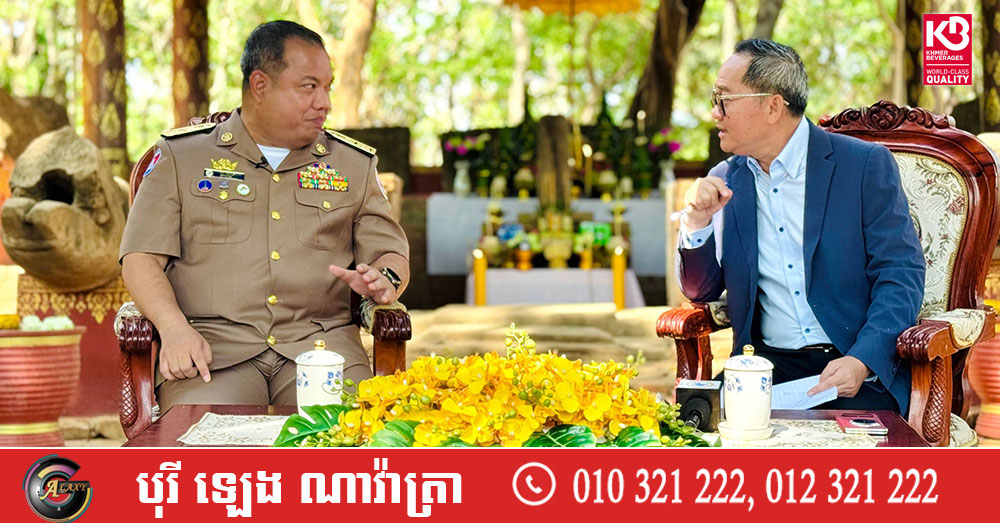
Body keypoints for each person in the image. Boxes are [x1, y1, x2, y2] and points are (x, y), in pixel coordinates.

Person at [120, 20, 409, 412]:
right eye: (309, 87)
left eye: (327, 87)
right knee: (200, 440)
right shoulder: (182, 157)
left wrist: (385, 280)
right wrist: (173, 329)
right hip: (212, 351)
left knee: (354, 434)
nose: (324, 102)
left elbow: (391, 254)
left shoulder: (353, 165)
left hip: (323, 349)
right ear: (260, 85)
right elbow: (141, 258)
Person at [677, 39, 925, 414]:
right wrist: (697, 222)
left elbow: (901, 274)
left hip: (854, 368)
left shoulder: (863, 166)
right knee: (689, 431)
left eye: (723, 99)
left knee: (847, 448)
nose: (715, 113)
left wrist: (863, 359)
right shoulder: (726, 179)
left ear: (772, 106)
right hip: (763, 372)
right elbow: (701, 290)